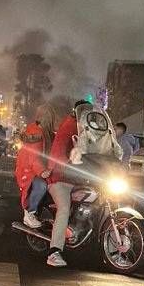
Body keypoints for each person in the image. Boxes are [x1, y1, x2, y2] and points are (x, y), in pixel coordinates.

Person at [44, 99, 93, 268]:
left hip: (74, 177)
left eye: (90, 112)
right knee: (64, 208)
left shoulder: (84, 128)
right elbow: (60, 152)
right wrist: (68, 164)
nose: (88, 115)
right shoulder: (70, 126)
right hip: (59, 177)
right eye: (85, 112)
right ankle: (54, 252)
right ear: (77, 112)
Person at [13, 104, 57, 230]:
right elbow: (34, 157)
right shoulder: (36, 133)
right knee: (41, 185)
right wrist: (42, 171)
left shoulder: (47, 133)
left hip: (40, 169)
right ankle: (29, 213)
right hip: (29, 171)